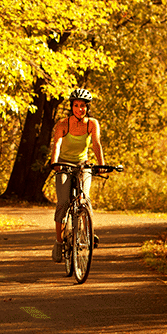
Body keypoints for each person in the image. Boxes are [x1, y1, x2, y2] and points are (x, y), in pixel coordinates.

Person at [48, 88, 105, 262]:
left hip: (82, 164)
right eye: (76, 105)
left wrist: (101, 165)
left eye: (82, 106)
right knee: (64, 202)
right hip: (64, 164)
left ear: (87, 108)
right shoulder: (63, 124)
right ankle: (59, 242)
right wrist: (55, 163)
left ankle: (87, 232)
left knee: (85, 198)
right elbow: (57, 144)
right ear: (71, 107)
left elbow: (96, 144)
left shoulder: (92, 124)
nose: (79, 109)